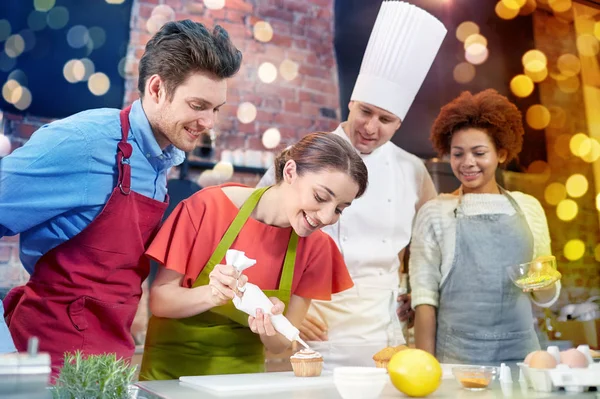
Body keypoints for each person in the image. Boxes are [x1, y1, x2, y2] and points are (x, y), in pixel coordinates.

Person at [0, 20, 242, 375]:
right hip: (45, 363)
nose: (209, 122)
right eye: (198, 105)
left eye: (216, 109)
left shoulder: (161, 162)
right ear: (157, 88)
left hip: (107, 364)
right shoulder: (84, 142)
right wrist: (3, 354)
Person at [257, 1, 447, 368]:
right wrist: (272, 299)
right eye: (365, 111)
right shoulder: (303, 157)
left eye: (385, 118)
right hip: (310, 323)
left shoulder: (412, 170)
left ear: (399, 123)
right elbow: (256, 230)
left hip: (382, 334)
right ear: (351, 102)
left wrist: (413, 293)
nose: (371, 127)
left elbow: (429, 249)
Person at [139, 132, 368, 380]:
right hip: (170, 376)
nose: (325, 218)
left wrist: (270, 323)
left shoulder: (318, 248)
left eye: (339, 210)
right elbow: (160, 301)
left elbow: (278, 344)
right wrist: (211, 294)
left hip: (242, 380)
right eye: (320, 197)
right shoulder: (207, 207)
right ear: (290, 172)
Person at [410, 89, 561, 363]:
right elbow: (424, 299)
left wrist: (546, 283)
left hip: (523, 354)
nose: (467, 163)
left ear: (501, 154)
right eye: (458, 154)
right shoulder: (435, 212)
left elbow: (544, 294)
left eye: (479, 152)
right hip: (456, 357)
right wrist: (425, 369)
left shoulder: (529, 208)